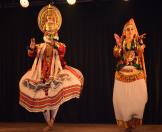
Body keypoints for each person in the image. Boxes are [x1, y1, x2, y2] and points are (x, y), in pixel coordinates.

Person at [19, 4, 84, 131]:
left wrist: (53, 43)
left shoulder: (59, 45)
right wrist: (32, 47)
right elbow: (31, 54)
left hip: (56, 73)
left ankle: (52, 120)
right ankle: (48, 121)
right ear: (44, 31)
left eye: (51, 30)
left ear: (56, 31)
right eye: (47, 30)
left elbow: (62, 51)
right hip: (41, 74)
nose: (49, 32)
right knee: (42, 96)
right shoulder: (41, 46)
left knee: (55, 96)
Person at [113, 18, 147, 132]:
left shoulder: (137, 42)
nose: (130, 31)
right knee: (123, 98)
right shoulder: (121, 42)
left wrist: (141, 44)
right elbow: (116, 54)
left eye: (132, 29)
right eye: (128, 29)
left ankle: (133, 119)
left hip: (136, 71)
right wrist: (117, 48)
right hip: (123, 71)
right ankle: (127, 123)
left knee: (140, 97)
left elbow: (140, 52)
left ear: (135, 31)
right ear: (124, 31)